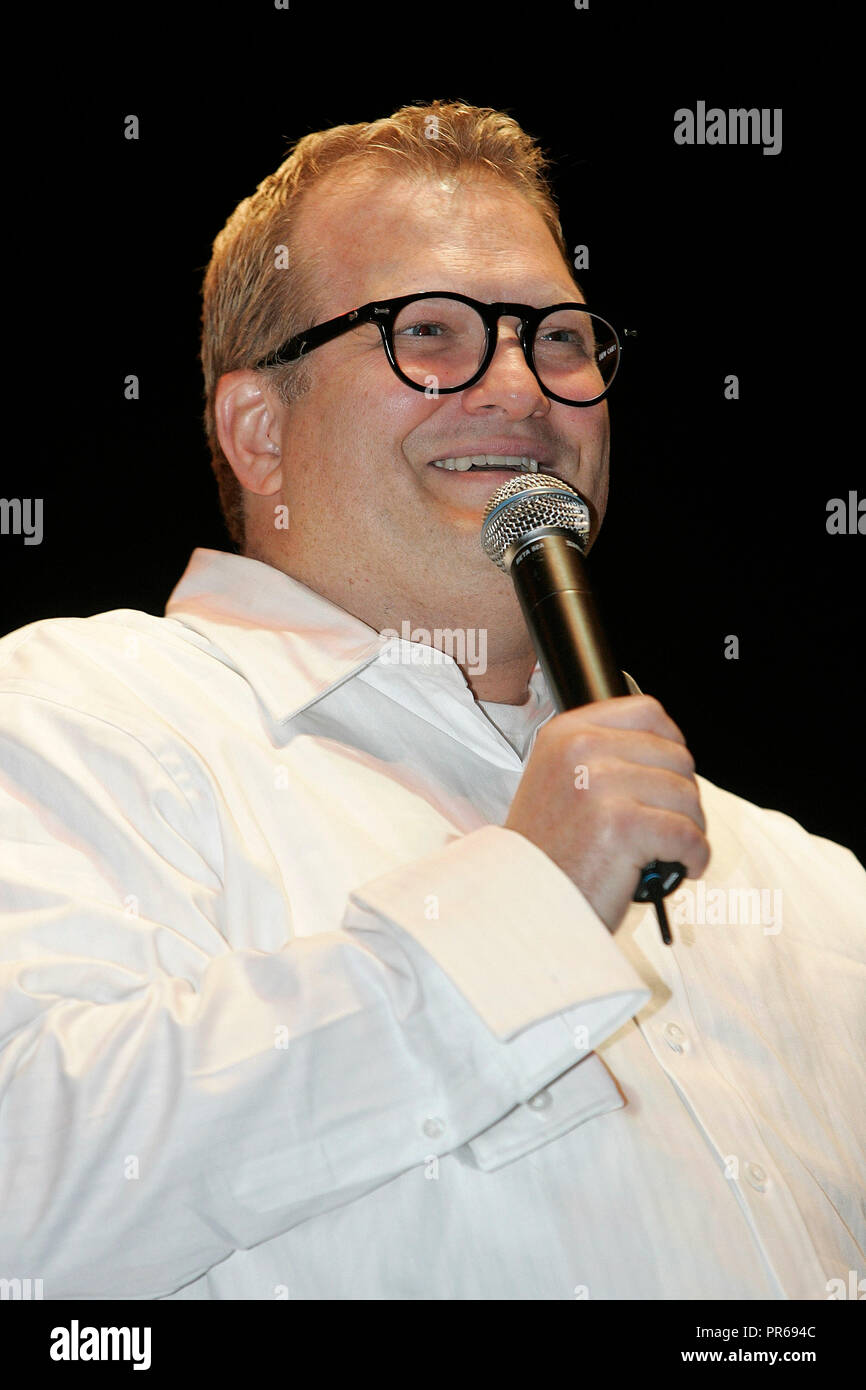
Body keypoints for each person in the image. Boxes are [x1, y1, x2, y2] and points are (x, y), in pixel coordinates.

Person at [0, 100, 863, 1302]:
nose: (519, 387)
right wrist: (524, 907)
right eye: (429, 333)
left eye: (558, 338)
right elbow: (25, 1185)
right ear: (258, 428)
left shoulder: (801, 881)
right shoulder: (79, 716)